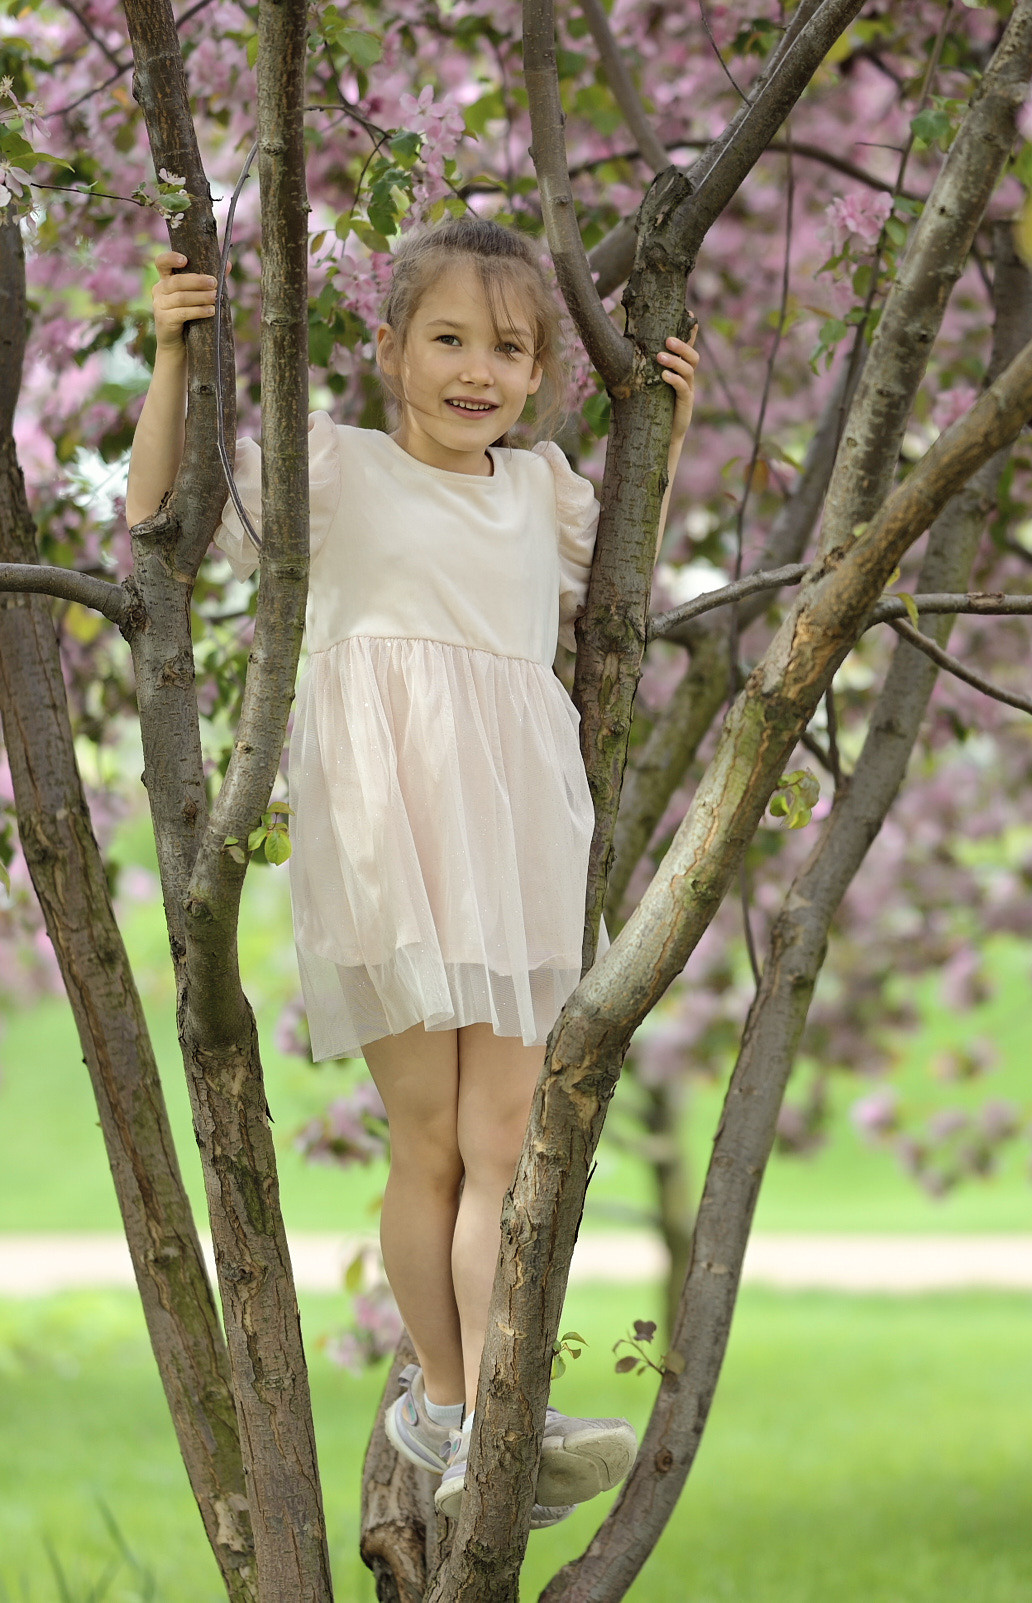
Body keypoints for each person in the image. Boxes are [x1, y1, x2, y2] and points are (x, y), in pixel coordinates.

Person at [124, 216, 700, 1524]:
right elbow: (156, 510)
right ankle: (455, 1404)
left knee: (505, 1138)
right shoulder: (340, 472)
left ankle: (490, 1423)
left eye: (508, 348)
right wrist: (172, 355)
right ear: (389, 351)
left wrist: (662, 428)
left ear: (544, 374)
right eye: (447, 338)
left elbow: (623, 582)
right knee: (431, 1141)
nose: (475, 370)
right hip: (388, 836)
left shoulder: (539, 489)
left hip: (514, 843)